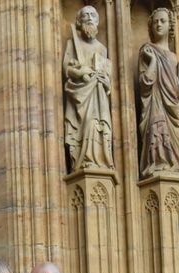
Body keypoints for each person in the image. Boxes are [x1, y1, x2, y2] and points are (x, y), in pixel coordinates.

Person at [62, 5, 114, 172]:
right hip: (81, 96)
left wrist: (106, 81)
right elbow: (67, 69)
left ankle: (101, 160)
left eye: (93, 15)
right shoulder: (73, 44)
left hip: (99, 97)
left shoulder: (102, 49)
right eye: (85, 15)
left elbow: (107, 73)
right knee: (87, 125)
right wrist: (80, 72)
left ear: (98, 20)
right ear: (79, 21)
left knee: (100, 125)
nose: (89, 18)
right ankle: (83, 160)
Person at [137, 7, 179, 177]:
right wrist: (152, 62)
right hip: (155, 103)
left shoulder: (174, 58)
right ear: (150, 27)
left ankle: (172, 164)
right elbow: (145, 84)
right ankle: (157, 163)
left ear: (170, 26)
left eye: (163, 21)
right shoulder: (147, 51)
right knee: (157, 131)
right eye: (155, 21)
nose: (158, 24)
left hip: (171, 109)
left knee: (172, 139)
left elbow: (178, 94)